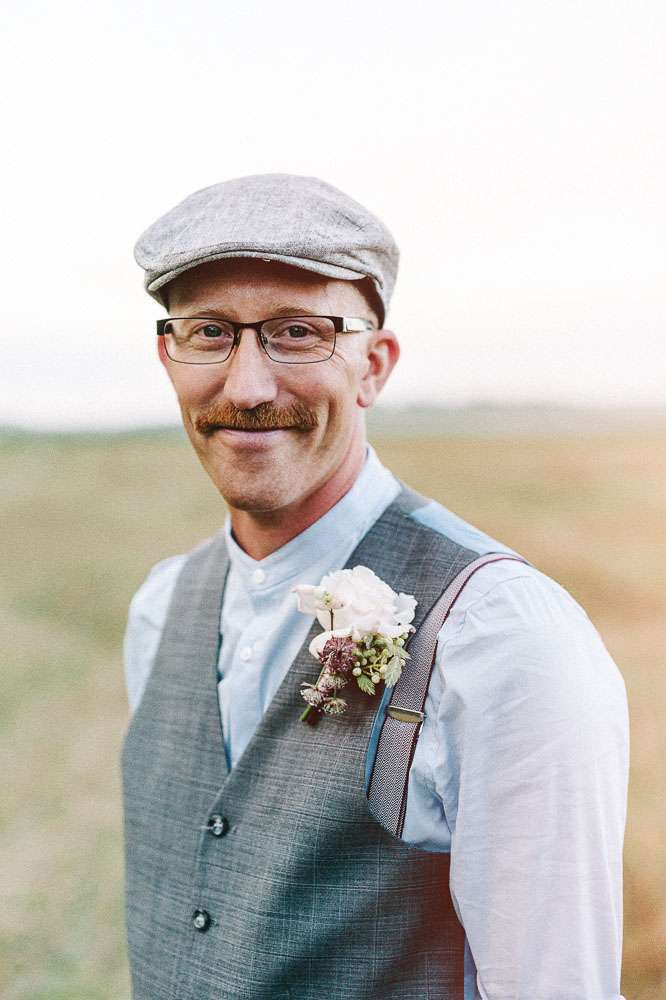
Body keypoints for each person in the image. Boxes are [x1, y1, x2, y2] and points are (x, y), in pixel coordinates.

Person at [121, 173, 629, 1000]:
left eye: (297, 333)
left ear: (374, 365)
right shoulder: (159, 609)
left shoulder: (502, 635)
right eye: (209, 332)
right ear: (168, 355)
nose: (245, 387)